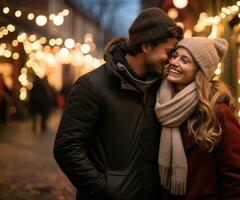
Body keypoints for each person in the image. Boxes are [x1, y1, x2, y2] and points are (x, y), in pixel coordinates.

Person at [54, 7, 183, 200]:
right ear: (146, 46)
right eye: (169, 52)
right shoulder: (92, 85)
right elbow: (67, 148)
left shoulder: (160, 87)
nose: (171, 60)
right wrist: (105, 189)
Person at [155, 37, 240, 199]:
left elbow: (235, 178)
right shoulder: (160, 102)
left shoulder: (218, 110)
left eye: (185, 60)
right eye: (175, 55)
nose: (174, 62)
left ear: (201, 71)